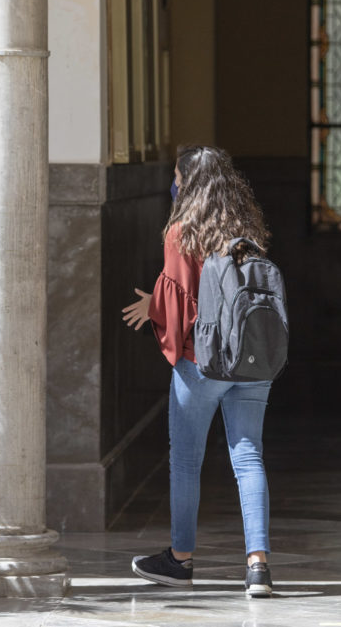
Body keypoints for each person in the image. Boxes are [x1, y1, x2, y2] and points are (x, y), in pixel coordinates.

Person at [121, 145, 275, 598]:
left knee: (187, 461)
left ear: (187, 183)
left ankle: (180, 560)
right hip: (251, 360)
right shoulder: (248, 228)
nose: (174, 183)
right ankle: (258, 567)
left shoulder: (181, 232)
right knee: (248, 457)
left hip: (201, 362)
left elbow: (180, 306)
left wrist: (153, 307)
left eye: (176, 176)